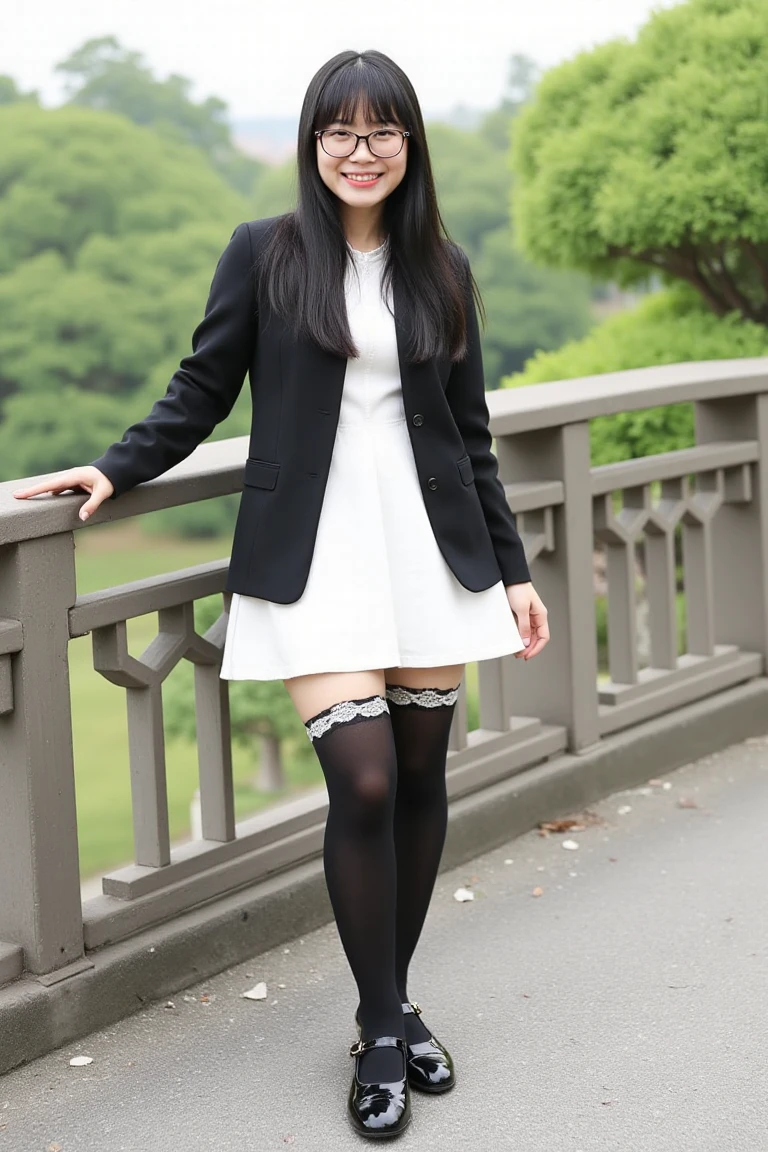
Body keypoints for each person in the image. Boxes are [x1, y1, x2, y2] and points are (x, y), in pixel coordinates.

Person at [13, 48, 549, 1140]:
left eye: (383, 132)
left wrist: (515, 570)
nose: (363, 151)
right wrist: (115, 467)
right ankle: (389, 1022)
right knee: (360, 785)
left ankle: (384, 1016)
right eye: (341, 132)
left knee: (417, 780)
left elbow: (473, 438)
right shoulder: (265, 254)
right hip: (314, 558)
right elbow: (203, 384)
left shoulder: (440, 267)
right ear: (313, 145)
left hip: (430, 554)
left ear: (410, 145)